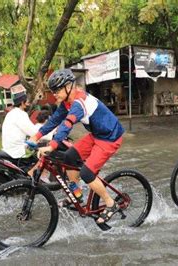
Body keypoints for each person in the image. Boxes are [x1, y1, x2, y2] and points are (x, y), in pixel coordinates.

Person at [28, 69, 125, 224]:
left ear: (69, 86)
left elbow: (67, 124)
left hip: (110, 137)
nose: (55, 95)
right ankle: (77, 194)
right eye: (53, 91)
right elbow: (54, 121)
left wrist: (52, 146)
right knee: (70, 157)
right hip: (96, 134)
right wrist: (36, 136)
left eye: (57, 90)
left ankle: (111, 204)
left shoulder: (79, 103)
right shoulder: (67, 102)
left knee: (87, 173)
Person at [1, 90, 38, 159]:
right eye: (27, 102)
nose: (29, 104)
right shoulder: (21, 114)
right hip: (15, 151)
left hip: (7, 148)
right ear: (22, 103)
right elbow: (33, 132)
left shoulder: (11, 113)